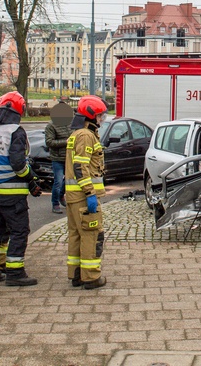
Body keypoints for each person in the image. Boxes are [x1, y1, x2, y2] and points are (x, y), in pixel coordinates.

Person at [0, 91, 41, 286]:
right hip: (12, 195)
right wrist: (31, 178)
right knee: (20, 231)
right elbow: (19, 164)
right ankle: (15, 273)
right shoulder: (15, 132)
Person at [64, 96, 108, 290]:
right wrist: (90, 193)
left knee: (76, 234)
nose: (102, 119)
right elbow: (81, 166)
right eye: (100, 115)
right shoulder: (86, 135)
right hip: (83, 196)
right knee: (91, 235)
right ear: (91, 115)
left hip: (74, 197)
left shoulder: (77, 134)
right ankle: (90, 277)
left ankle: (76, 274)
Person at [44, 102, 74, 214]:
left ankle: (61, 196)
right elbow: (49, 142)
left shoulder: (71, 123)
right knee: (58, 182)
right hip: (57, 158)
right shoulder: (51, 125)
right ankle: (55, 204)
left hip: (70, 157)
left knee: (69, 181)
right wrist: (65, 142)